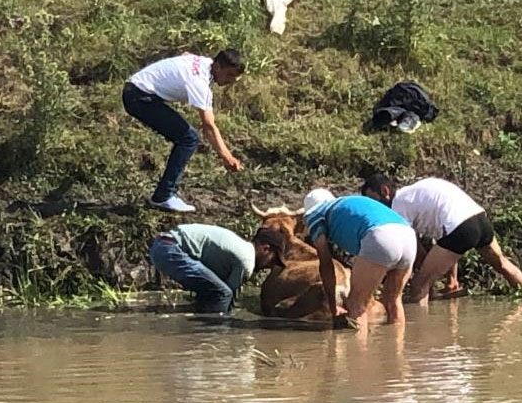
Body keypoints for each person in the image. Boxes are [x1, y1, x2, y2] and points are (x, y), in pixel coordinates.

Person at [360, 174, 522, 305]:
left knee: (420, 285)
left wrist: (422, 275)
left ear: (385, 191)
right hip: (479, 219)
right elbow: (445, 243)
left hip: (460, 228)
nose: (374, 206)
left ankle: (419, 339)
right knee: (502, 264)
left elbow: (415, 252)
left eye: (372, 199)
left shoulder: (398, 207)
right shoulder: (416, 193)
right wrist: (450, 279)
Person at [123, 49, 245, 212]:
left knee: (186, 137)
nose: (231, 81)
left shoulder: (204, 62)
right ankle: (163, 196)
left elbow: (185, 55)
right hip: (139, 97)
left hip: (137, 89)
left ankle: (165, 194)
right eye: (229, 75)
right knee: (189, 139)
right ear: (217, 67)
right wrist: (227, 157)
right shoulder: (199, 82)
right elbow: (208, 125)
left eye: (235, 77)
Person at [302, 189, 416, 329]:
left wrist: (332, 306)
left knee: (356, 303)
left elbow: (326, 264)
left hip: (381, 236)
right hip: (408, 235)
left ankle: (359, 350)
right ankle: (398, 349)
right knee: (393, 300)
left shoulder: (316, 215)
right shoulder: (347, 203)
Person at [149, 224, 286, 314]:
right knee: (223, 294)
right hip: (170, 250)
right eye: (273, 260)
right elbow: (228, 295)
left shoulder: (240, 247)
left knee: (213, 290)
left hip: (163, 244)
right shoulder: (247, 261)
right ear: (266, 249)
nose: (270, 266)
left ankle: (199, 322)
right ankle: (213, 335)